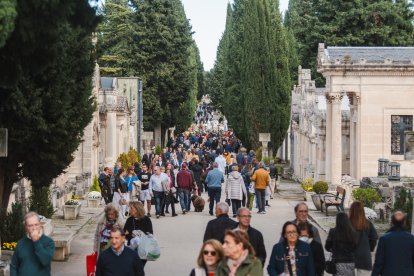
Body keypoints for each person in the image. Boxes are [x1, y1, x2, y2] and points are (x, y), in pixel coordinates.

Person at [10, 212, 55, 276]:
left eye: (36, 224)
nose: (34, 228)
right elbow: (14, 265)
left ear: (40, 224)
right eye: (30, 225)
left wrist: (36, 241)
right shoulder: (20, 243)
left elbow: (46, 261)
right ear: (26, 227)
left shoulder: (48, 242)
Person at [372, 211, 414, 276]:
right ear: (404, 222)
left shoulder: (384, 239)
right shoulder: (411, 239)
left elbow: (379, 262)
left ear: (392, 222)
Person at [348, 201, 378, 276]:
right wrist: (369, 248)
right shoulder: (368, 223)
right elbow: (374, 238)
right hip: (364, 255)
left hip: (348, 256)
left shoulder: (346, 223)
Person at [124, 202, 153, 267]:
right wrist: (132, 234)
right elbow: (125, 233)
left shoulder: (146, 220)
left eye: (131, 208)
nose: (129, 210)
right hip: (131, 249)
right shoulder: (129, 220)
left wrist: (140, 234)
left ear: (137, 209)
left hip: (143, 249)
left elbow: (150, 234)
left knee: (139, 268)